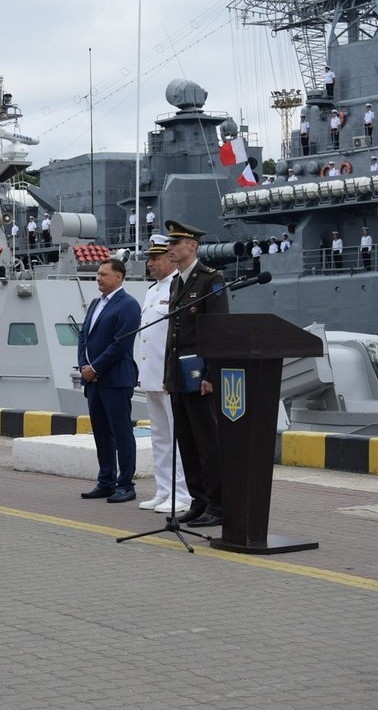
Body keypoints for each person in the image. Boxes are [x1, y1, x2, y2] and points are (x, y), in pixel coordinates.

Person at [163, 220, 229, 528]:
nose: (170, 248)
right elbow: (174, 335)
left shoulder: (211, 280)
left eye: (176, 242)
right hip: (179, 377)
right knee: (187, 442)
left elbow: (217, 331)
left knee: (208, 442)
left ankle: (218, 504)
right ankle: (199, 500)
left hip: (200, 378)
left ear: (193, 245)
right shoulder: (177, 282)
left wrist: (211, 375)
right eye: (170, 243)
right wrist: (168, 377)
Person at [134, 236, 191, 513]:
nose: (150, 263)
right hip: (152, 375)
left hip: (170, 376)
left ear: (170, 259)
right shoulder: (151, 291)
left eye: (155, 258)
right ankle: (163, 490)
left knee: (177, 437)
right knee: (159, 436)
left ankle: (182, 493)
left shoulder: (178, 288)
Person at [76, 258, 141, 503]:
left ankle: (126, 484)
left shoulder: (129, 305)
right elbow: (84, 335)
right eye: (98, 275)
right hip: (93, 381)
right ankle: (106, 481)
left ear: (119, 277)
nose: (98, 278)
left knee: (122, 432)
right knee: (101, 433)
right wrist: (84, 365)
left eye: (104, 274)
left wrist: (95, 367)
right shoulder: (95, 303)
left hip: (115, 379)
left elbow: (120, 344)